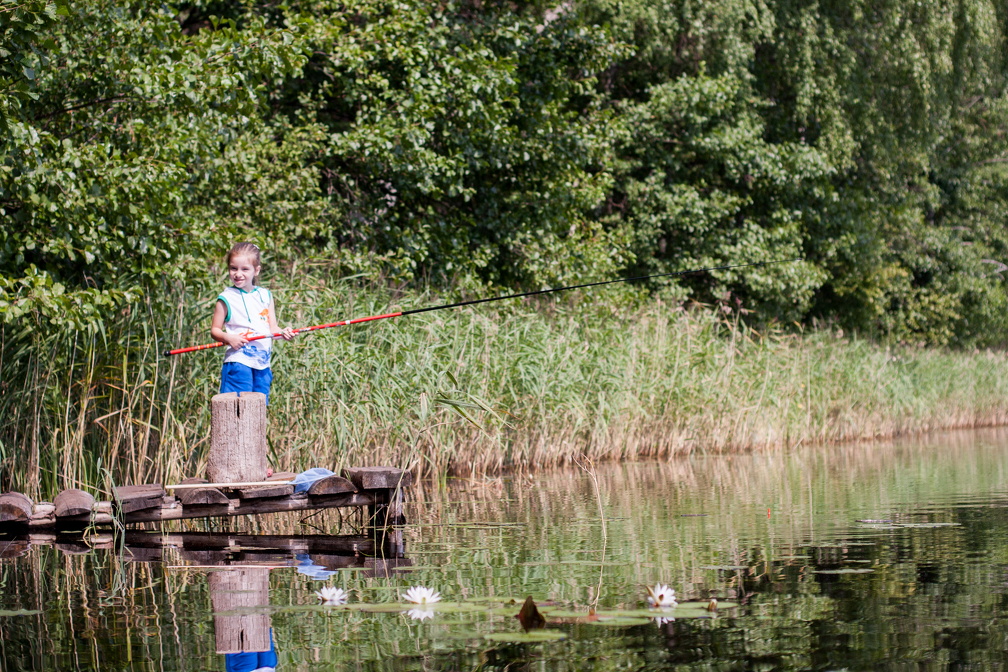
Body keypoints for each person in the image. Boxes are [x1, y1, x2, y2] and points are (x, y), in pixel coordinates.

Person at [211, 242, 296, 407]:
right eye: (233, 268)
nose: (238, 274)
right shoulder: (226, 298)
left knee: (258, 409)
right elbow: (215, 330)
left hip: (263, 365)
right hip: (239, 363)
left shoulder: (265, 295)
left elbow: (272, 328)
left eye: (245, 269)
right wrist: (229, 338)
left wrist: (283, 333)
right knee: (236, 408)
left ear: (256, 270)